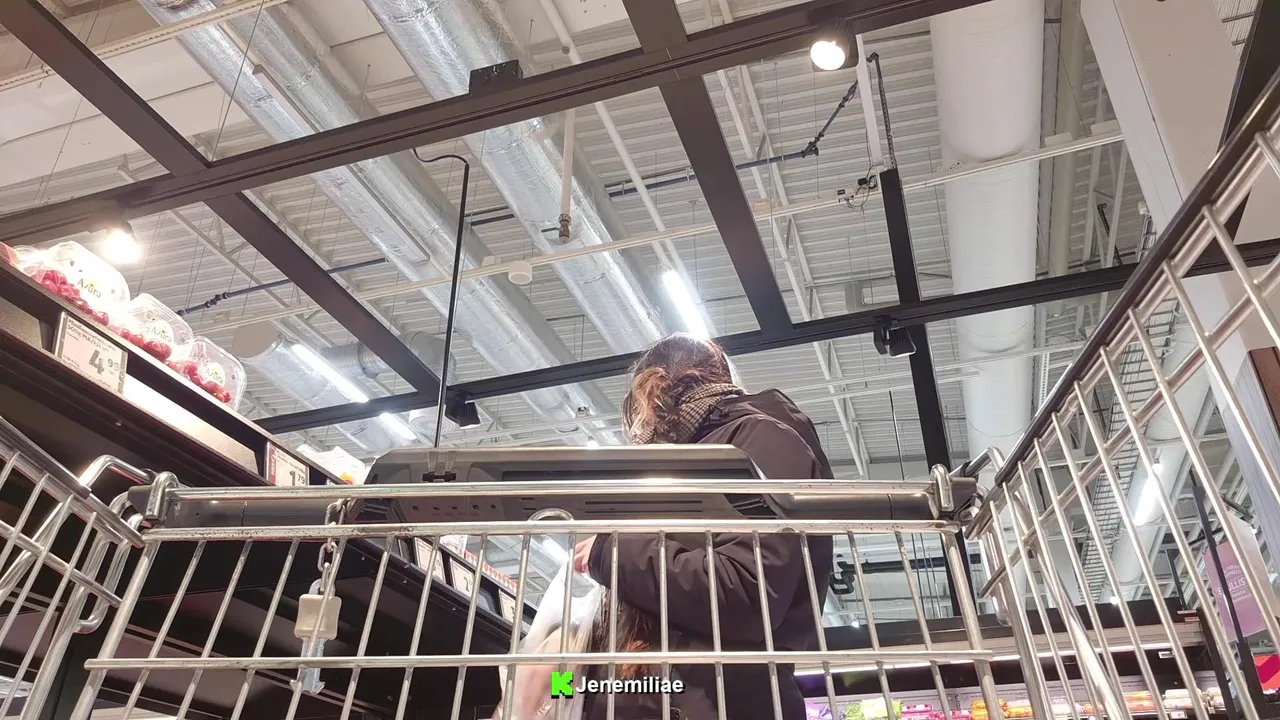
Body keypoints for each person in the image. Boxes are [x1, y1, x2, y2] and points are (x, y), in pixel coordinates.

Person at [572, 333, 835, 720]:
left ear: (654, 387)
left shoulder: (757, 440)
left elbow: (746, 591)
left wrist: (610, 552)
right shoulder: (682, 462)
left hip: (716, 700)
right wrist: (564, 687)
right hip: (659, 693)